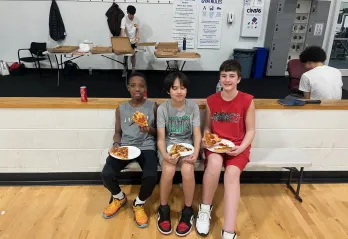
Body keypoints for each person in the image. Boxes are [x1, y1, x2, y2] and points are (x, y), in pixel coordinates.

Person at [195, 60, 255, 239]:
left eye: (231, 76)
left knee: (231, 174)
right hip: (216, 145)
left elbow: (251, 131)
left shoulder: (247, 100)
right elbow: (207, 127)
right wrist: (207, 139)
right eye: (223, 76)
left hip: (238, 145)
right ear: (219, 78)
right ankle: (205, 209)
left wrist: (240, 148)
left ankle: (229, 229)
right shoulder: (211, 100)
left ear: (239, 79)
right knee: (213, 164)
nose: (227, 80)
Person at [100, 72, 158, 228]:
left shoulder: (153, 106)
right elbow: (118, 132)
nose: (137, 89)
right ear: (128, 88)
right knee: (107, 173)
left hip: (146, 146)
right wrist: (116, 143)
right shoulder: (121, 108)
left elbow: (159, 131)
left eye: (141, 85)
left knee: (151, 176)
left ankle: (139, 203)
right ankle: (119, 197)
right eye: (133, 85)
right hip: (125, 147)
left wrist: (149, 129)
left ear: (145, 88)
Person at [156, 72, 201, 237]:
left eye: (182, 88)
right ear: (168, 91)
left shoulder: (193, 106)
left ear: (187, 90)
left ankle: (188, 210)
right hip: (169, 146)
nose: (179, 91)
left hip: (188, 146)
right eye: (174, 88)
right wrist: (165, 154)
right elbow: (160, 138)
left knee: (188, 170)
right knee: (168, 170)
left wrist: (196, 153)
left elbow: (197, 133)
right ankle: (163, 208)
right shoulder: (163, 108)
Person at [121, 5, 140, 74]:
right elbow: (122, 31)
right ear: (127, 12)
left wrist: (137, 38)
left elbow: (137, 30)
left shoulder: (136, 20)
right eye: (130, 14)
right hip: (126, 39)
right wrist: (125, 40)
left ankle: (133, 70)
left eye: (133, 14)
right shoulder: (124, 19)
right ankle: (125, 69)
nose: (132, 16)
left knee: (133, 55)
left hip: (133, 40)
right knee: (125, 55)